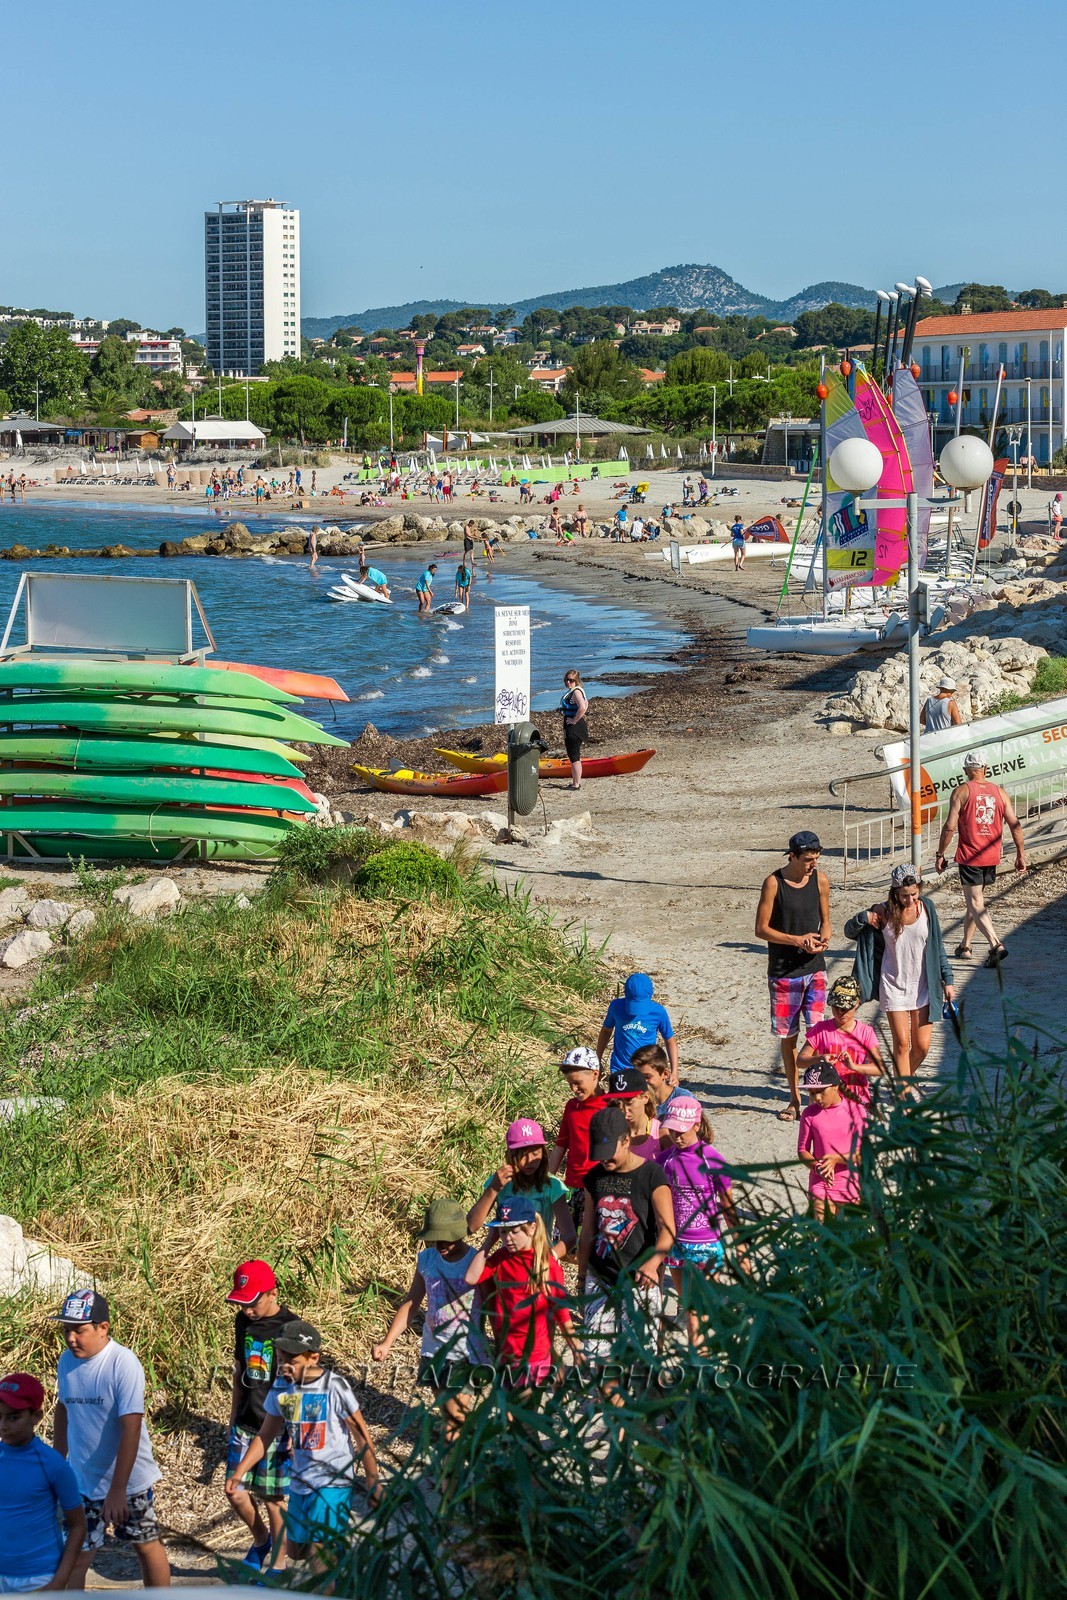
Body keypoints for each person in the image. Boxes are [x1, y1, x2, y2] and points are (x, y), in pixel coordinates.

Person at [226, 1320, 380, 1573]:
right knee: (296, 1551)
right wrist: (239, 1472)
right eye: (280, 1358)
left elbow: (362, 1435)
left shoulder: (334, 1386)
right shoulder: (281, 1388)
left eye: (292, 1361)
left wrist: (373, 1481)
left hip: (332, 1481)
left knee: (319, 1556)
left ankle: (329, 1572)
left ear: (314, 1357)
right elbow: (265, 1435)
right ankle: (339, 1557)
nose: (284, 1366)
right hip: (300, 1481)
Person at [52, 1287, 170, 1589]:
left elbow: (131, 1427)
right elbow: (63, 1411)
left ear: (103, 1328)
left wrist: (118, 1489)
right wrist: (57, 1465)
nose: (70, 1338)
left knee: (144, 1545)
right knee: (77, 1554)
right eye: (67, 1330)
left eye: (79, 1331)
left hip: (128, 1481)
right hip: (84, 1480)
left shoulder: (123, 1363)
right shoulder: (66, 1361)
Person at [372, 1200, 487, 1440]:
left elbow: (489, 1306)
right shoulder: (427, 1259)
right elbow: (412, 1303)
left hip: (465, 1350)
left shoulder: (475, 1261)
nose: (439, 1245)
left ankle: (448, 1469)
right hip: (434, 1349)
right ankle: (465, 1451)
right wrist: (387, 1342)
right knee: (448, 1412)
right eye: (434, 1239)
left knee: (455, 1416)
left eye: (445, 1239)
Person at [578, 1106, 675, 1367]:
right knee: (599, 1358)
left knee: (643, 1361)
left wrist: (653, 1264)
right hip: (601, 1280)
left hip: (640, 1281)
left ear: (626, 1140)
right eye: (599, 1154)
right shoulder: (595, 1178)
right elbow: (588, 1231)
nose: (604, 1160)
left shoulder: (652, 1175)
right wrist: (581, 1278)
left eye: (609, 1153)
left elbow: (668, 1231)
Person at [844, 863, 954, 1087]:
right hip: (893, 985)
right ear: (895, 893)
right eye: (904, 896)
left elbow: (938, 946)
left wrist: (948, 979)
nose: (910, 900)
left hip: (924, 985)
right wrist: (864, 917)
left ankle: (899, 1082)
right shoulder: (883, 912)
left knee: (922, 1047)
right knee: (902, 1044)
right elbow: (849, 931)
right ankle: (903, 1096)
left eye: (914, 894)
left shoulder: (927, 908)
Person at [465, 1199, 580, 1395]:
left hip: (534, 1355)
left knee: (523, 1416)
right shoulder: (501, 1259)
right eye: (503, 1232)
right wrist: (489, 1241)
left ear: (532, 1228)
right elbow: (471, 1277)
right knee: (512, 1417)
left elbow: (561, 1311)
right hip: (506, 1353)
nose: (507, 1238)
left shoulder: (546, 1264)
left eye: (514, 1231)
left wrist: (574, 1345)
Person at [754, 831, 831, 1122]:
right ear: (793, 856)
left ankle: (818, 1095)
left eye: (816, 859)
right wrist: (797, 940)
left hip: (815, 969)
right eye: (808, 860)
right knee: (789, 1040)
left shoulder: (820, 880)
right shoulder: (773, 883)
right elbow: (761, 929)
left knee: (818, 1035)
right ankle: (794, 1098)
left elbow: (827, 924)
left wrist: (821, 941)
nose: (813, 865)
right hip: (784, 972)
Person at [224, 1260, 294, 1572]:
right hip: (246, 1422)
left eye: (251, 1303)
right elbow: (240, 1370)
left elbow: (299, 1386)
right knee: (235, 1491)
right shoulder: (243, 1322)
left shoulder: (291, 1329)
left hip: (277, 1428)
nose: (246, 1310)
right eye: (241, 1303)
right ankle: (261, 1539)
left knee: (272, 1499)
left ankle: (278, 1566)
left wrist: (295, 1431)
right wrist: (232, 1417)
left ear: (272, 1294)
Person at [654, 1096, 741, 1344]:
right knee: (688, 1303)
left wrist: (740, 1240)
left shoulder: (711, 1159)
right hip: (676, 1244)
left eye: (681, 1130)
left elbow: (727, 1204)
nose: (676, 1136)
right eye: (672, 1130)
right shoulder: (664, 1161)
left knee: (698, 1308)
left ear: (696, 1125)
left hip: (706, 1243)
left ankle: (700, 1354)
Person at [935, 749, 1026, 966]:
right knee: (975, 902)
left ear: (967, 770)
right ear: (985, 768)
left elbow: (949, 827)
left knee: (975, 902)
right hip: (991, 856)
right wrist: (1021, 854)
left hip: (970, 855)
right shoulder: (999, 792)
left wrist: (940, 854)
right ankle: (965, 946)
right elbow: (1015, 824)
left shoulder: (962, 791)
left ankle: (995, 945)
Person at [0, 1372, 86, 1594]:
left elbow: (77, 1525)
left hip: (39, 1578)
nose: (3, 1426)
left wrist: (59, 1581)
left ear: (36, 1417)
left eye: (13, 1417)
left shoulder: (53, 1464)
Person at [467, 1120, 576, 1257]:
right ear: (511, 1155)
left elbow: (570, 1235)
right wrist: (493, 1189)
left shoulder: (552, 1186)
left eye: (535, 1153)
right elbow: (471, 1226)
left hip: (540, 1260)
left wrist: (550, 1258)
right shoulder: (501, 1183)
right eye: (522, 1154)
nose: (530, 1160)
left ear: (543, 1153)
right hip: (509, 1260)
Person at [548, 1045, 610, 1237]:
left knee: (591, 1242)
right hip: (574, 1186)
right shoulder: (571, 1107)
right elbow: (561, 1145)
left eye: (578, 1083)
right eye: (570, 1084)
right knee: (564, 1241)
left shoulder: (610, 1106)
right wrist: (545, 1179)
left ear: (595, 1074)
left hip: (600, 1187)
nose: (574, 1089)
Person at [796, 1059, 868, 1221]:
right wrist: (817, 1167)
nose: (817, 1098)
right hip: (820, 1183)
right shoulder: (809, 1114)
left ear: (835, 1087)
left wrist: (835, 1159)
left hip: (849, 1184)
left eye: (821, 1091)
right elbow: (803, 1151)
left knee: (848, 1239)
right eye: (812, 1093)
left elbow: (863, 1152)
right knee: (821, 1235)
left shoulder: (856, 1110)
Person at [797, 974, 883, 1107]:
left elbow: (879, 1068)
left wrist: (854, 1067)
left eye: (845, 1008)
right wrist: (820, 1058)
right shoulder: (821, 1029)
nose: (840, 1012)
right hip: (826, 1100)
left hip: (855, 1099)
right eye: (836, 1007)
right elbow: (801, 1061)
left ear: (857, 1004)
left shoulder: (866, 1032)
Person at [596, 972, 678, 1081]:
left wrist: (674, 1072)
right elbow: (606, 1031)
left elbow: (670, 1040)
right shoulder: (616, 1007)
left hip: (647, 1069)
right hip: (620, 1068)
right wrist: (598, 1059)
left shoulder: (658, 1012)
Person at [604, 1066, 662, 1158]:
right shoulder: (609, 1132)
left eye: (629, 1103)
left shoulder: (660, 1133)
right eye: (618, 1104)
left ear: (645, 1098)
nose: (624, 1110)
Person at [631, 1043, 688, 1130]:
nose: (642, 1081)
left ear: (665, 1074)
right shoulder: (636, 1101)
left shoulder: (683, 1100)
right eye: (638, 1076)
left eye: (647, 1077)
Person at [560, 669, 589, 790]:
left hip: (574, 728)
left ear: (576, 680)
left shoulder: (576, 692)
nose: (568, 682)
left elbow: (582, 707)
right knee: (574, 756)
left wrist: (574, 720)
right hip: (576, 726)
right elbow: (586, 704)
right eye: (566, 680)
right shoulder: (578, 691)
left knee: (574, 756)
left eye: (571, 680)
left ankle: (576, 784)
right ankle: (575, 782)